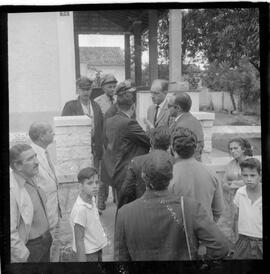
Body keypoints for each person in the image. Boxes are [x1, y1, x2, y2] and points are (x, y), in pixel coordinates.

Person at [114, 150, 229, 261]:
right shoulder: (190, 207)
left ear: (143, 176)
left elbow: (120, 258)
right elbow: (221, 246)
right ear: (170, 177)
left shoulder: (124, 214)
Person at [104, 80, 150, 203]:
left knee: (122, 210)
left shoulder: (111, 121)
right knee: (131, 212)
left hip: (117, 172)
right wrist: (151, 128)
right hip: (129, 175)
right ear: (133, 106)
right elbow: (149, 140)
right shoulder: (129, 123)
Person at [168, 127, 224, 222]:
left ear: (172, 149)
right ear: (195, 148)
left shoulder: (167, 176)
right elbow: (218, 210)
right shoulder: (211, 173)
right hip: (205, 231)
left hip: (178, 232)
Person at [10, 144, 52, 262]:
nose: (37, 162)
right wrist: (25, 256)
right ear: (17, 165)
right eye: (30, 159)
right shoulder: (12, 191)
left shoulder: (31, 176)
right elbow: (9, 234)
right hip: (32, 248)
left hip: (46, 241)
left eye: (35, 156)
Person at [28, 122, 62, 262]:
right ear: (41, 136)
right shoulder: (32, 155)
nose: (53, 133)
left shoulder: (45, 153)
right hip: (43, 215)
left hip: (54, 210)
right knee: (46, 252)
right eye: (50, 131)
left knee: (55, 248)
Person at [117, 125, 171, 209]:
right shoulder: (176, 162)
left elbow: (126, 191)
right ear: (169, 144)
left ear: (151, 142)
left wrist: (121, 211)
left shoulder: (136, 162)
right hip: (170, 210)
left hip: (143, 208)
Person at [61, 77, 103, 171]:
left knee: (94, 176)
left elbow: (101, 128)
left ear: (91, 90)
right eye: (83, 90)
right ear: (78, 90)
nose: (85, 92)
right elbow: (64, 131)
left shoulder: (96, 106)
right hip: (77, 150)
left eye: (88, 89)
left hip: (95, 150)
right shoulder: (70, 106)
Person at [218, 138, 253, 245]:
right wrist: (231, 185)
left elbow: (250, 180)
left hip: (247, 198)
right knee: (233, 222)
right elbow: (223, 182)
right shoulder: (231, 164)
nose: (232, 151)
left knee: (243, 222)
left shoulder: (251, 162)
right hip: (232, 199)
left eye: (235, 148)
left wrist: (232, 184)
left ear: (243, 149)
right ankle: (236, 246)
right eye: (231, 149)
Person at [70, 167, 107, 262]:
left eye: (97, 182)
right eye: (90, 183)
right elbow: (79, 241)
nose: (95, 186)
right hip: (89, 255)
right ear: (81, 186)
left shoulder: (92, 198)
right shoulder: (81, 209)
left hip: (96, 249)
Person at [232, 158, 262, 259]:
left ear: (260, 175)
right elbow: (236, 217)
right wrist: (236, 238)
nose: (249, 179)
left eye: (252, 175)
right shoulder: (240, 192)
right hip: (243, 240)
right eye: (245, 175)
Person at [168, 92, 204, 161]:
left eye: (169, 105)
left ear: (178, 108)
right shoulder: (193, 120)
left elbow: (176, 152)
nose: (167, 108)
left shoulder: (182, 127)